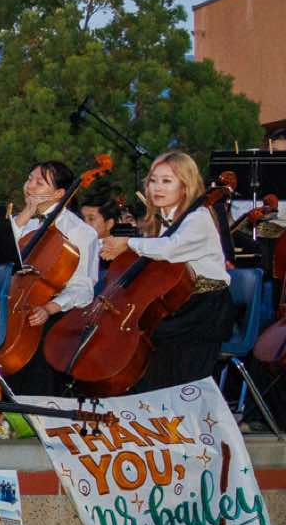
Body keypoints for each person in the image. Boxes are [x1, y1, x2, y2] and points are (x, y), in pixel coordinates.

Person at [98, 150, 232, 391]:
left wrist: (128, 244)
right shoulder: (164, 218)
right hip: (179, 304)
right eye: (153, 180)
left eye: (167, 181)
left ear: (185, 186)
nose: (157, 187)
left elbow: (170, 249)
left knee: (174, 370)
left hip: (205, 308)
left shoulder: (198, 217)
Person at [8, 159, 100, 395]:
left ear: (59, 193)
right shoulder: (21, 222)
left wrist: (50, 308)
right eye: (29, 179)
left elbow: (83, 288)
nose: (30, 186)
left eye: (39, 182)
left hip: (53, 311)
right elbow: (0, 255)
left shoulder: (80, 232)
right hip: (12, 304)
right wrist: (25, 215)